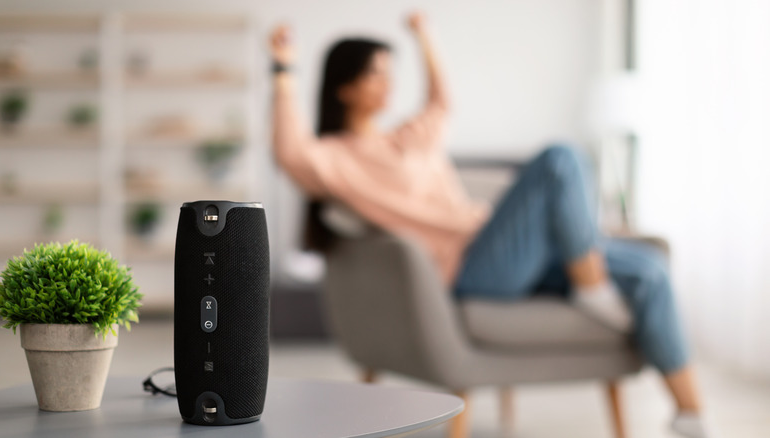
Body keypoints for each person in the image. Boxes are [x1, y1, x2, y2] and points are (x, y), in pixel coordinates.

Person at [269, 12, 710, 438]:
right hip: (474, 268)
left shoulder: (410, 136)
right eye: (376, 75)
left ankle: (690, 415)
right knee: (560, 159)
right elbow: (289, 150)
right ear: (345, 87)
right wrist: (283, 68)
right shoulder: (335, 159)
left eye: (391, 73)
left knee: (649, 268)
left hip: (507, 252)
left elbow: (442, 101)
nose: (389, 85)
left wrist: (426, 38)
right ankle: (592, 287)